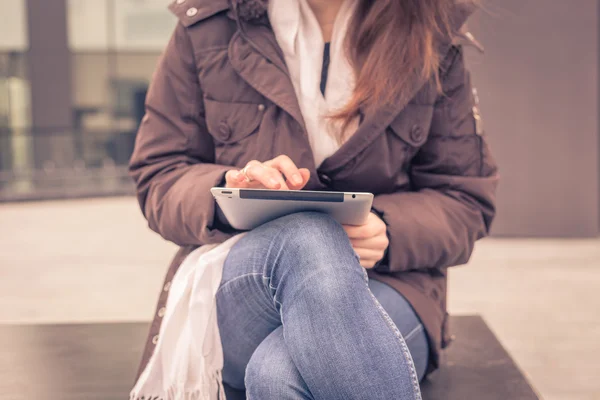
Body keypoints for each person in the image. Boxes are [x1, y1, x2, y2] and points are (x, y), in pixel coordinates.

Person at [129, 0, 498, 398]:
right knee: (309, 238)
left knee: (278, 376)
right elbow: (160, 174)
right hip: (242, 278)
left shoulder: (431, 33)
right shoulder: (208, 26)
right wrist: (229, 189)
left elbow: (464, 199)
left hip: (389, 286)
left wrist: (387, 229)